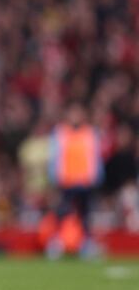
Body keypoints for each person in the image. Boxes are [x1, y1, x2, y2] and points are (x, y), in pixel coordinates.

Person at [46, 101, 104, 259]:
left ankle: (86, 244)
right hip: (66, 181)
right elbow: (54, 157)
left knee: (85, 215)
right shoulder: (60, 132)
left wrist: (97, 177)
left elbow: (95, 157)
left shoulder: (90, 133)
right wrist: (54, 176)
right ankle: (57, 243)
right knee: (62, 213)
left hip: (85, 182)